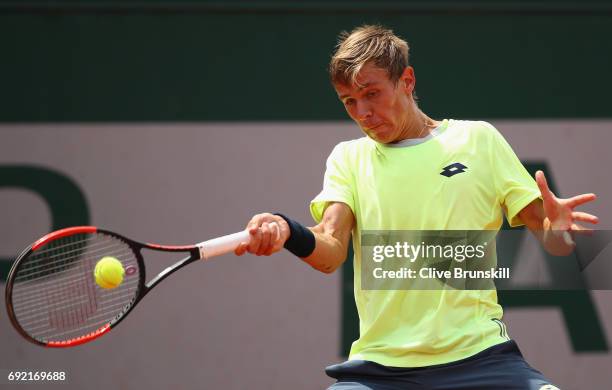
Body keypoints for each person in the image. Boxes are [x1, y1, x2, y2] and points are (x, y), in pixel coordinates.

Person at [235, 25, 598, 389]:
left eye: (372, 94)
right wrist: (287, 231)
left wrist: (559, 232)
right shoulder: (348, 158)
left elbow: (553, 243)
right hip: (380, 370)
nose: (362, 112)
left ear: (406, 81)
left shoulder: (478, 140)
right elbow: (329, 251)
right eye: (349, 101)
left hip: (481, 359)